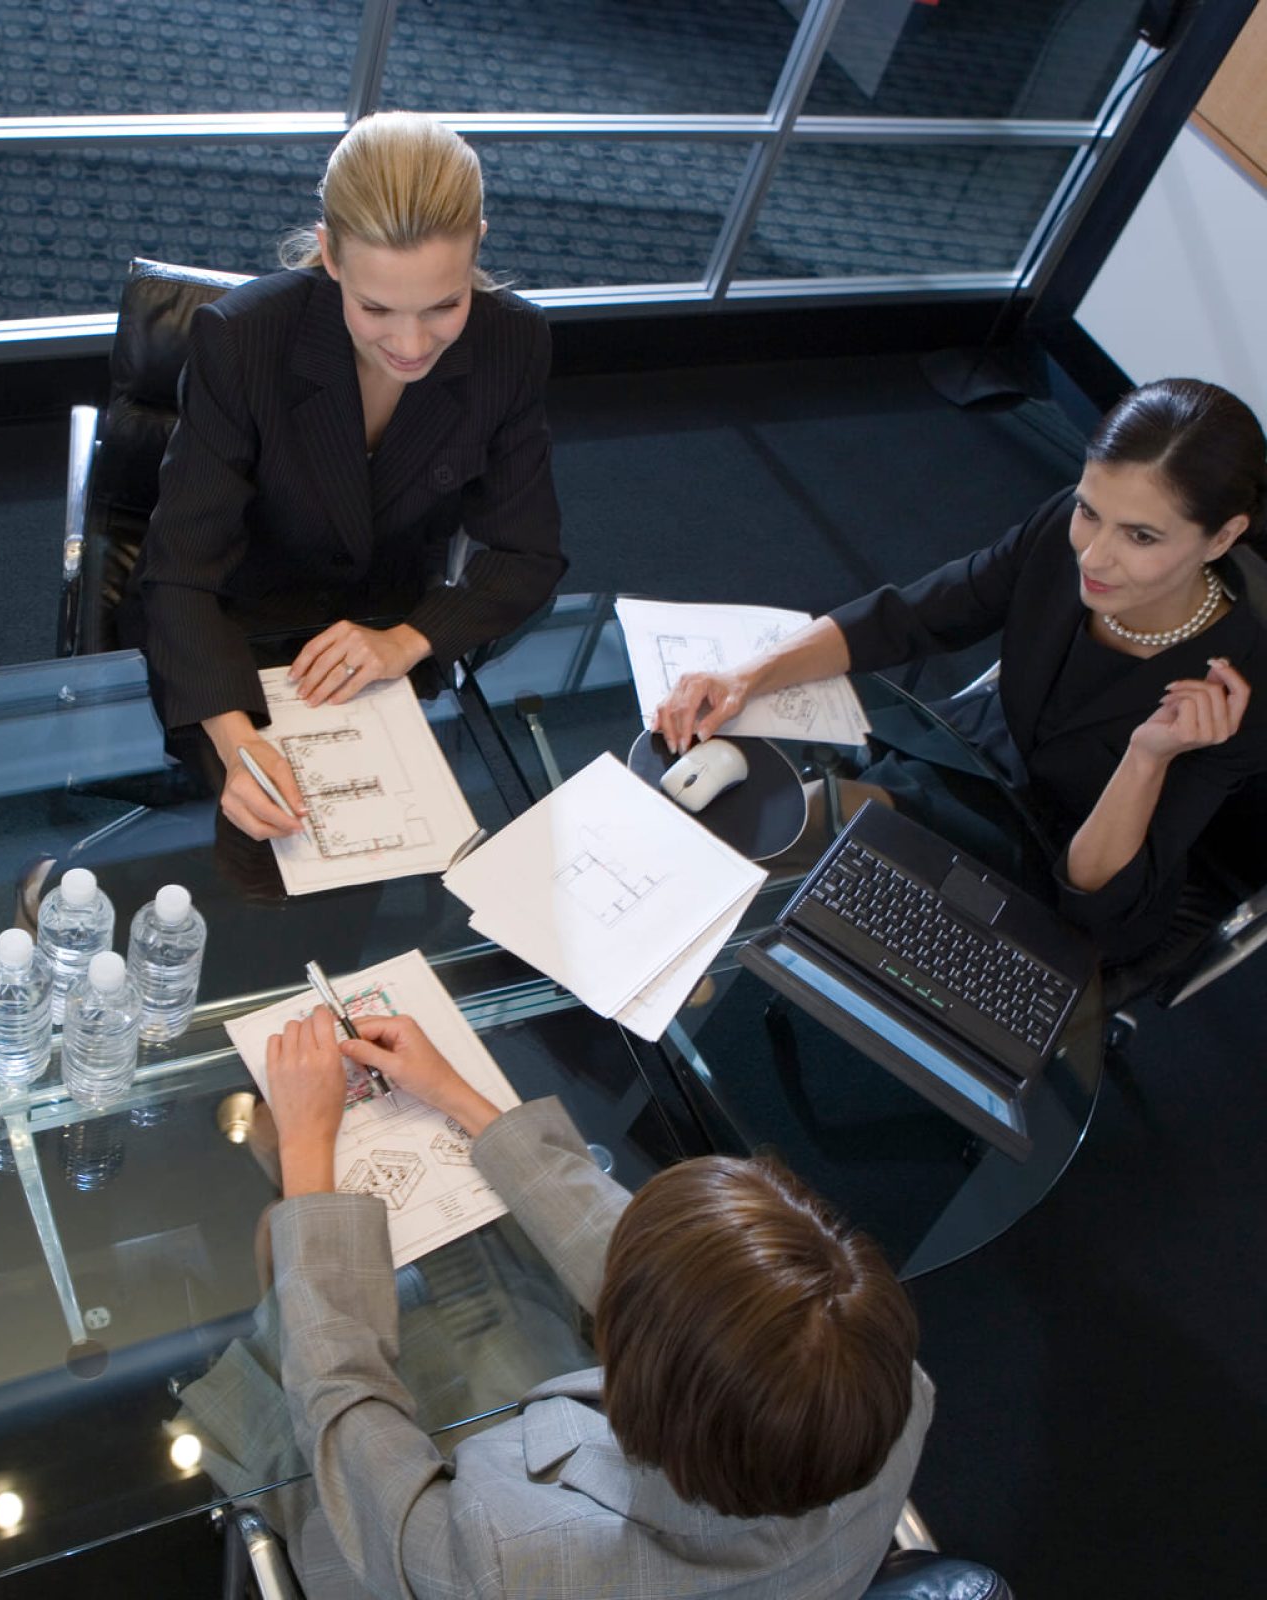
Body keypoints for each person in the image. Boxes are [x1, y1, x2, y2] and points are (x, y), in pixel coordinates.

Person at [259, 1007, 932, 1598]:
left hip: (415, 1558)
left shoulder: (515, 1563)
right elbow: (665, 1270)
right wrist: (461, 1099)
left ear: (635, 1393)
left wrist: (305, 1149)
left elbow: (348, 1418)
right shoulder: (894, 1387)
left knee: (274, 1254)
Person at [656, 378, 1267, 967]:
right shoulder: (1063, 532)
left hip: (1067, 870)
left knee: (848, 906)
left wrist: (1147, 757)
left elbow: (1093, 891)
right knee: (792, 819)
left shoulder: (1242, 690)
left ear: (1223, 537)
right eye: (1090, 511)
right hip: (978, 763)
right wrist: (747, 675)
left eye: (1141, 535)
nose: (1094, 554)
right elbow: (913, 615)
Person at [124, 112, 566, 842]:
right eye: (376, 308)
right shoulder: (243, 341)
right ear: (329, 254)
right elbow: (179, 575)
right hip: (234, 637)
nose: (411, 343)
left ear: (478, 244)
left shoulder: (511, 343)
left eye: (444, 305)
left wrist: (408, 638)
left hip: (384, 645)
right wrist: (239, 748)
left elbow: (529, 555)